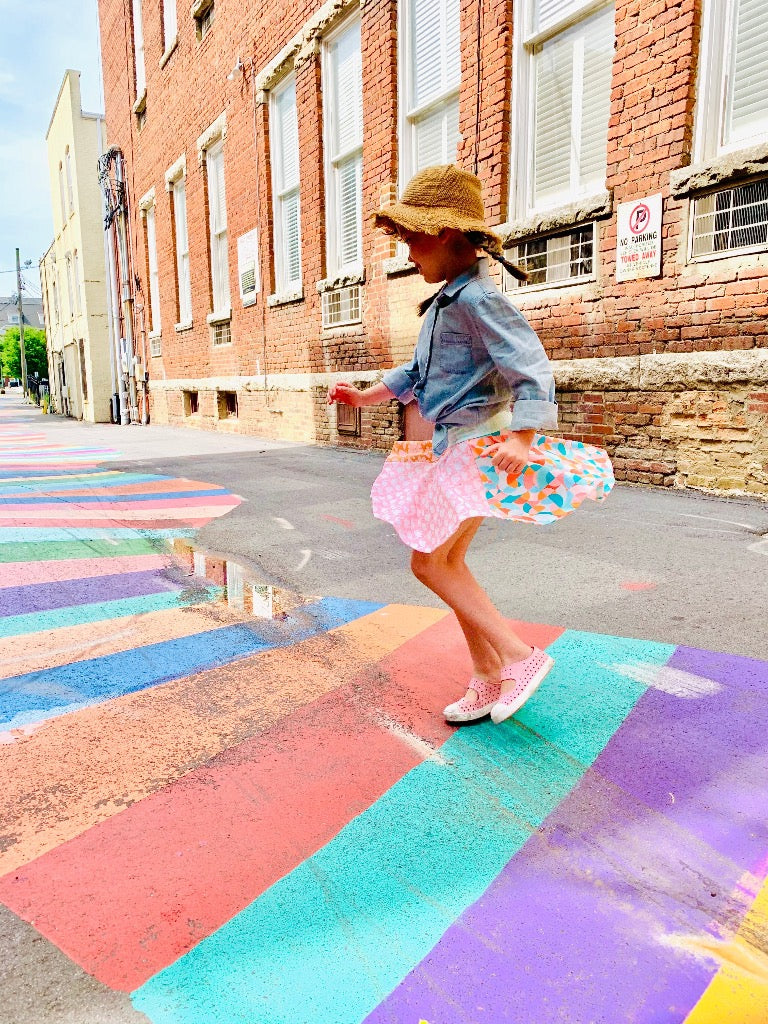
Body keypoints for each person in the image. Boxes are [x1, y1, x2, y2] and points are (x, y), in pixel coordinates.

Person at [328, 164, 614, 725]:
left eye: (411, 239)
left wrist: (525, 434)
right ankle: (486, 677)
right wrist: (365, 397)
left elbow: (529, 365)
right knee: (446, 560)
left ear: (444, 234)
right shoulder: (447, 303)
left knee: (431, 563)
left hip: (472, 449)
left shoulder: (479, 298)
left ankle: (517, 657)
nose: (407, 253)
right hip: (448, 449)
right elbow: (418, 370)